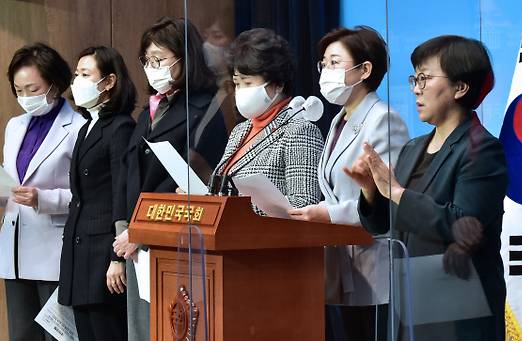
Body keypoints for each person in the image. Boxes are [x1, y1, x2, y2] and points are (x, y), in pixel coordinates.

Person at [345, 35, 508, 341]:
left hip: (460, 307)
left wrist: (394, 192)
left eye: (426, 78)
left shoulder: (482, 150)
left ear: (461, 88)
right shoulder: (411, 148)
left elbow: (462, 223)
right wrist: (371, 193)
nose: (416, 88)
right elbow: (384, 224)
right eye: (414, 78)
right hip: (411, 301)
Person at [111, 17, 228, 341]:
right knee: (141, 330)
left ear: (184, 58)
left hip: (174, 241)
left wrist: (142, 232)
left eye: (160, 60)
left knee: (173, 329)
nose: (152, 68)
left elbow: (192, 183)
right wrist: (125, 231)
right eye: (147, 61)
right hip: (135, 243)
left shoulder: (204, 108)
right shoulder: (148, 111)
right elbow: (127, 174)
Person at [288, 26, 409, 341]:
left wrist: (327, 214)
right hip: (341, 258)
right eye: (323, 64)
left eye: (334, 62)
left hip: (372, 261)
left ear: (364, 70)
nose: (325, 72)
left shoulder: (383, 118)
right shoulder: (338, 119)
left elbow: (385, 200)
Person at [0, 42, 85, 341]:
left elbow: (88, 195)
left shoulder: (77, 127)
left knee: (58, 336)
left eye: (33, 89)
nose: (25, 98)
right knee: (21, 335)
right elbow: (11, 182)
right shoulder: (15, 125)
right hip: (15, 248)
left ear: (55, 84)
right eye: (18, 90)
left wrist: (43, 198)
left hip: (54, 251)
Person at [57, 46, 136, 341]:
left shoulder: (121, 127)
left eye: (86, 74)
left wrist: (116, 259)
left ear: (109, 82)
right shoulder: (86, 127)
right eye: (77, 74)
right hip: (79, 249)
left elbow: (121, 194)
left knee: (106, 331)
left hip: (103, 252)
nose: (77, 81)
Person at [212, 28, 323, 213]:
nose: (240, 91)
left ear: (278, 83)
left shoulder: (300, 130)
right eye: (237, 83)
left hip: (269, 240)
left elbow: (303, 204)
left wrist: (234, 209)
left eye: (248, 83)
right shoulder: (240, 131)